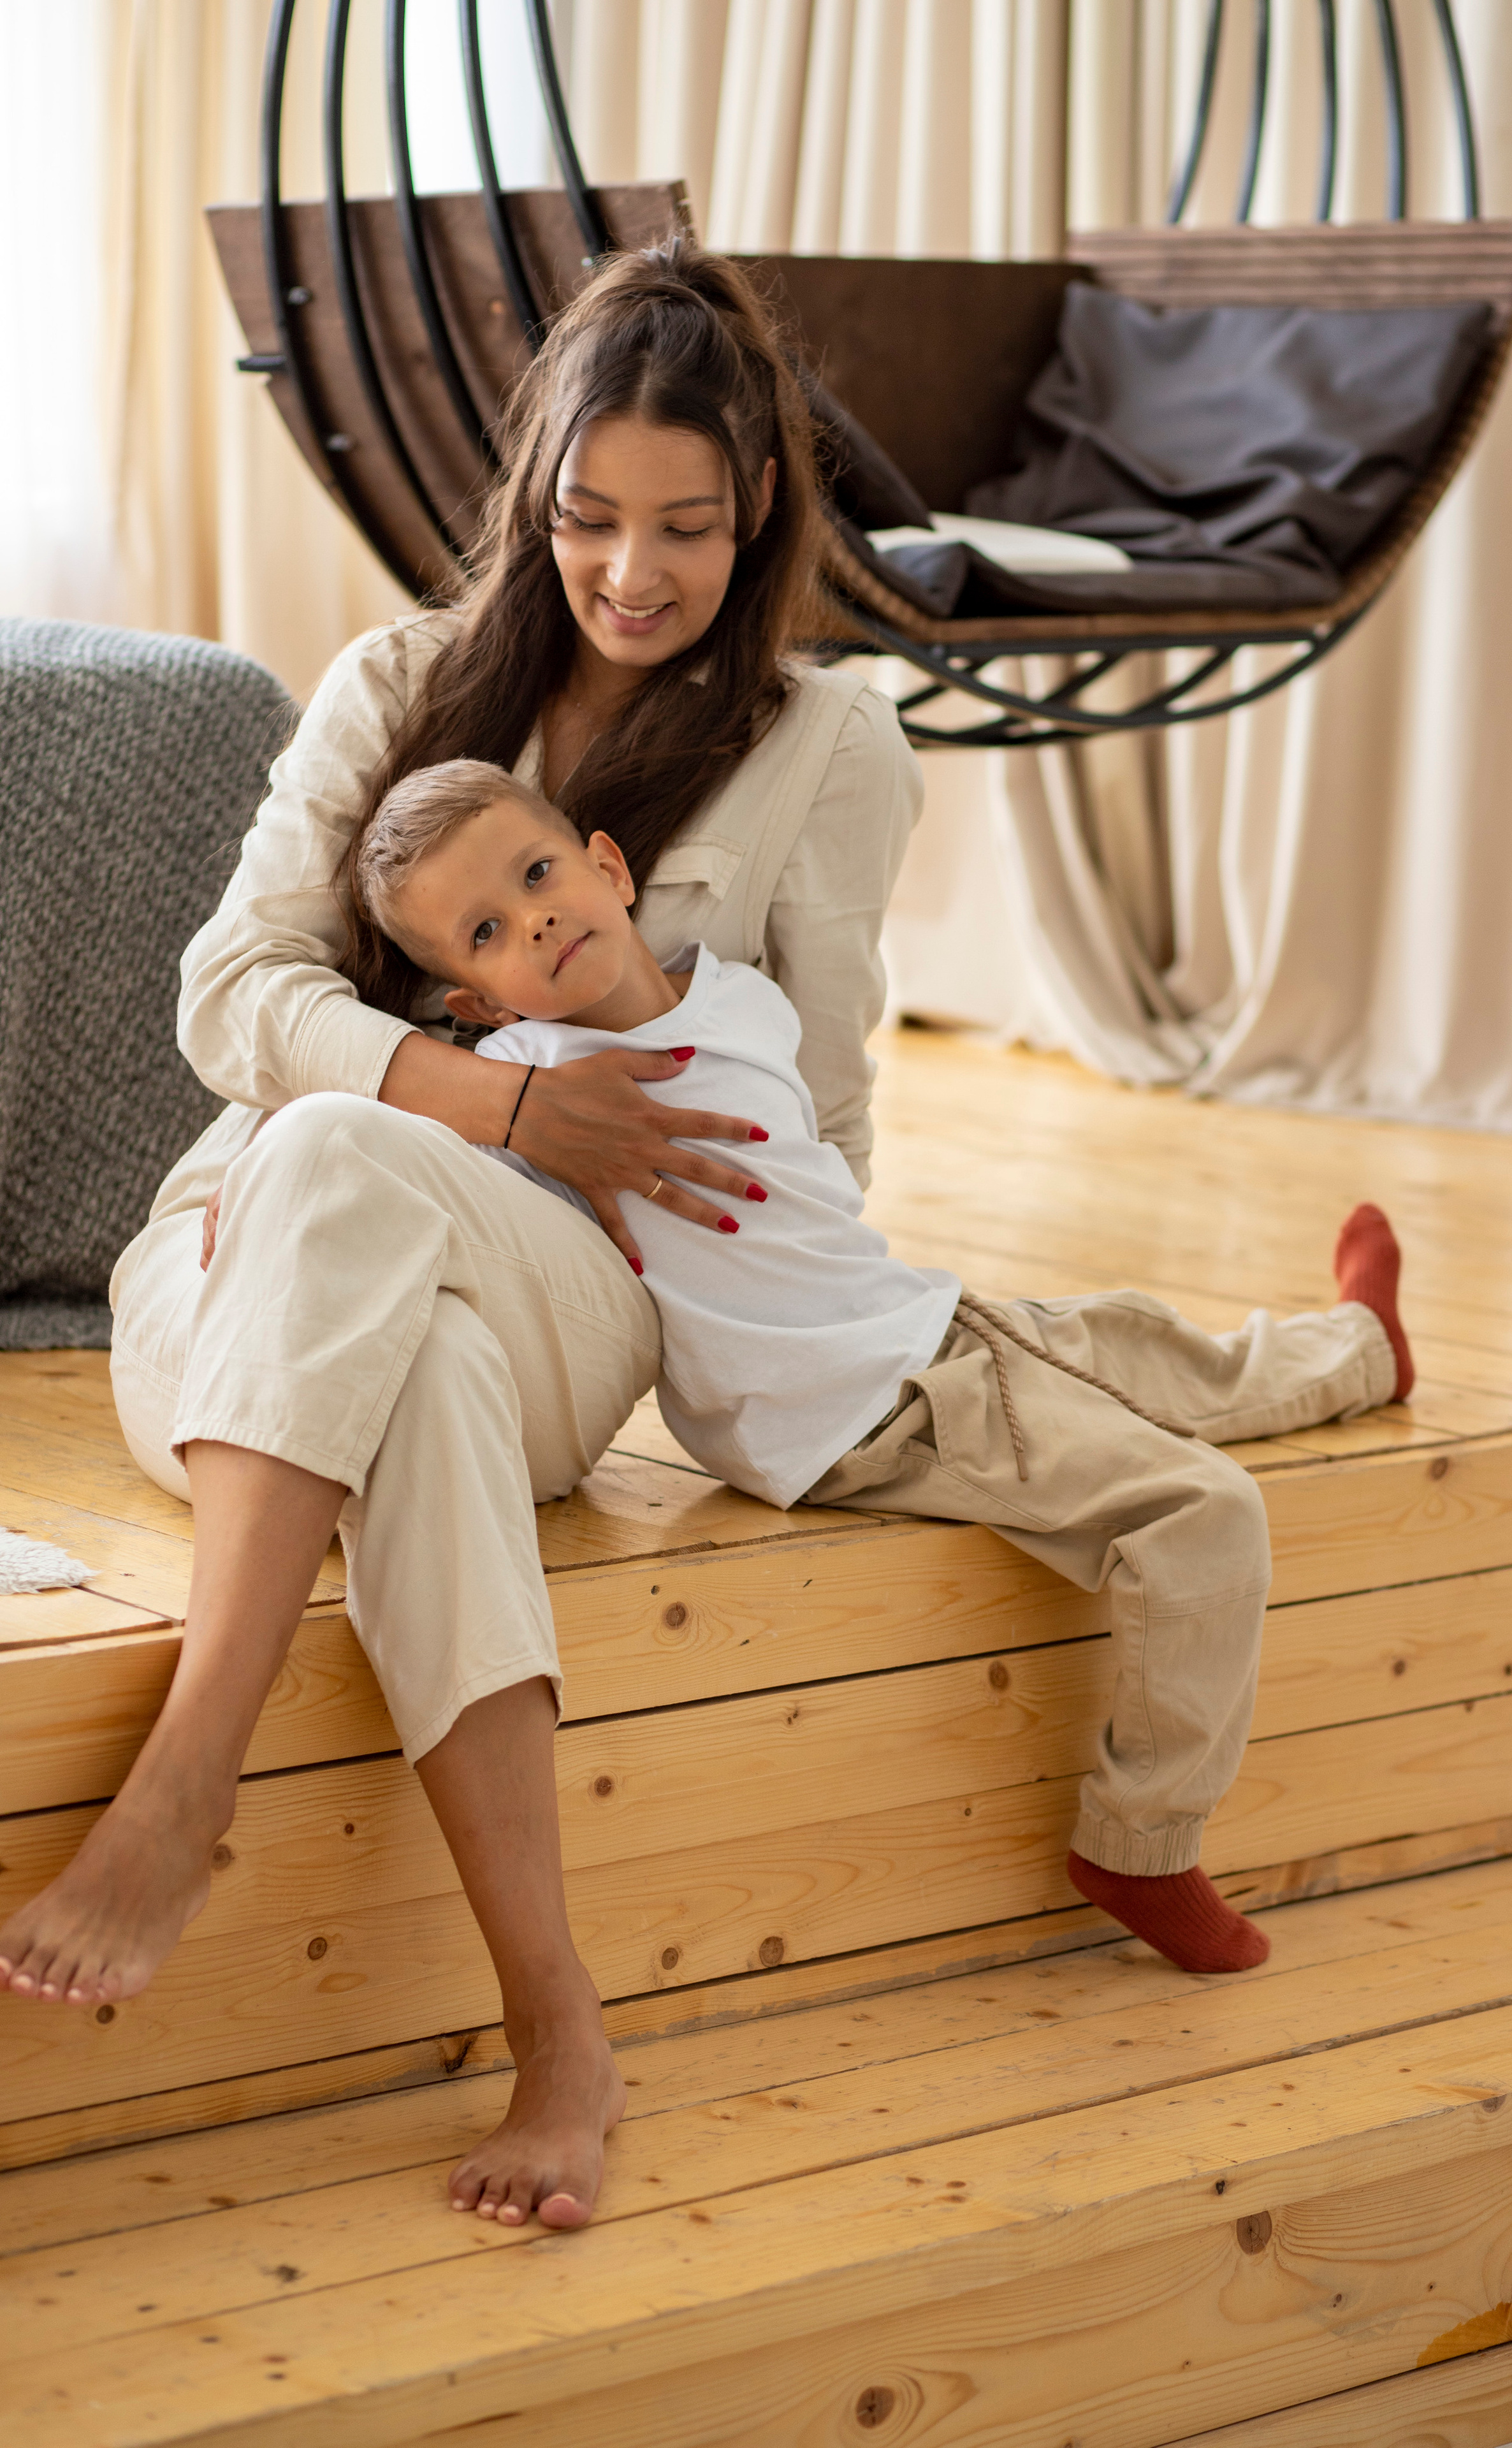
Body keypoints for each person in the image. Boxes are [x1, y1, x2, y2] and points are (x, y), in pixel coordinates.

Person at [0, 238, 921, 2239]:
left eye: (685, 526)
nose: (632, 574)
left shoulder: (829, 747)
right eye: (590, 518)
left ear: (756, 506)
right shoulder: (399, 685)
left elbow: (819, 1116)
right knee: (362, 1246)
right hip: (241, 1264)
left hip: (567, 1292)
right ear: (536, 495)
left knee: (351, 1162)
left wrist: (806, 1362)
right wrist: (498, 1094)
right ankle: (559, 2033)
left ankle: (183, 1787)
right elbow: (224, 991)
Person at [347, 755, 1415, 1985]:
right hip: (872, 1410)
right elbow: (400, 1149)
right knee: (1205, 1512)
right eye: (488, 930)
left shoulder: (741, 997)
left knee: (1140, 1342)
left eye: (537, 875)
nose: (533, 917)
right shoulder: (540, 1099)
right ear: (475, 1007)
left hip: (920, 1319)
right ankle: (1143, 1840)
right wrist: (278, 1171)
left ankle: (1365, 1352)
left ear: (610, 866)